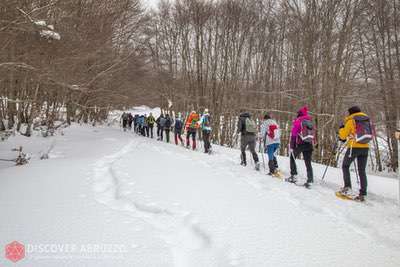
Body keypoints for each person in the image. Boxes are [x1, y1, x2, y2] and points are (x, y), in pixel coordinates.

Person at [338, 106, 371, 201]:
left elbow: (343, 136)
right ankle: (363, 192)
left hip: (354, 147)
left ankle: (347, 187)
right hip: (365, 147)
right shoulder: (366, 120)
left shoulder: (351, 121)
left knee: (345, 166)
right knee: (362, 170)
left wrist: (341, 128)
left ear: (351, 113)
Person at [287, 106, 314, 188]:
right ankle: (310, 180)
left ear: (299, 114)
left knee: (292, 157)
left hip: (301, 144)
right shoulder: (309, 121)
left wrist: (292, 146)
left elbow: (294, 135)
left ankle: (293, 176)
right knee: (308, 162)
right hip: (309, 144)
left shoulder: (298, 121)